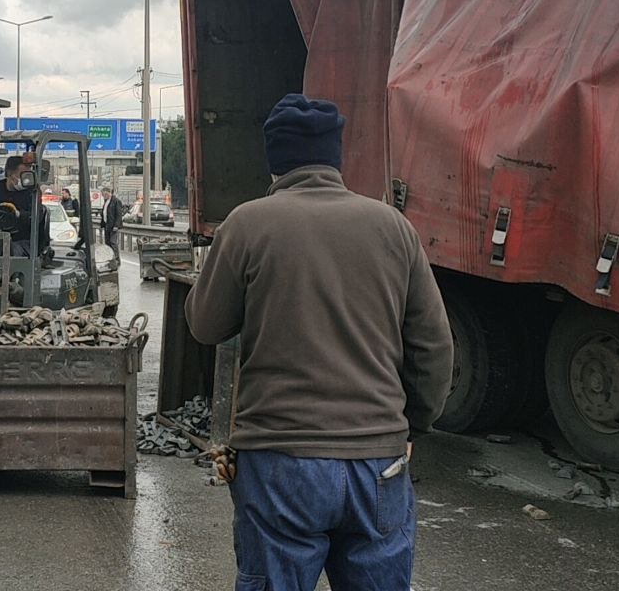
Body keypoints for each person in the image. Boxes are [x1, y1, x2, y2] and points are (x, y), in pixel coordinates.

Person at [184, 93, 454, 591]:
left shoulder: (247, 224)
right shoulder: (395, 228)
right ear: (335, 156)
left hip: (279, 461)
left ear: (274, 162)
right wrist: (410, 423)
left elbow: (204, 325)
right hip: (379, 461)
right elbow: (434, 348)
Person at [0, 155, 49, 258]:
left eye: (28, 175)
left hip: (24, 241)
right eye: (22, 175)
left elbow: (37, 217)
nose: (26, 179)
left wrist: (18, 213)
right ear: (10, 173)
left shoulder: (32, 192)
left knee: (8, 248)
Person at [100, 186, 124, 253]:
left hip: (113, 225)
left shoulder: (116, 201)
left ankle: (116, 259)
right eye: (103, 194)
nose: (103, 196)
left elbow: (119, 214)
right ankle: (110, 258)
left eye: (105, 194)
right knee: (107, 243)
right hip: (107, 225)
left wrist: (116, 225)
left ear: (109, 193)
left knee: (113, 242)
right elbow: (105, 213)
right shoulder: (106, 202)